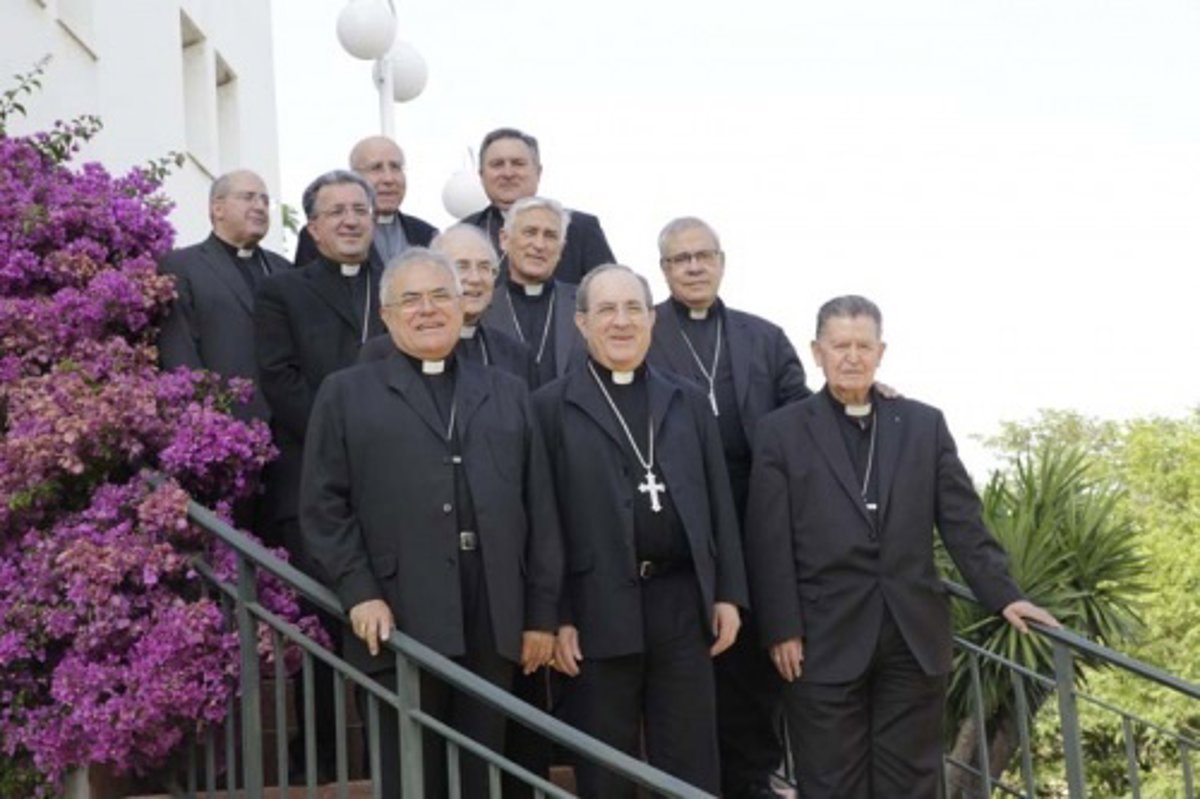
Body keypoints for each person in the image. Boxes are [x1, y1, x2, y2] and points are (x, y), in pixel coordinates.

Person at [743, 295, 1059, 798]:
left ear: (881, 352)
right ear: (817, 352)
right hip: (821, 639)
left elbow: (962, 522)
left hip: (912, 638)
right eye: (840, 346)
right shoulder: (781, 432)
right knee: (830, 785)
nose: (852, 357)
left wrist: (1004, 595)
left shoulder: (922, 425)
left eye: (863, 345)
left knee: (911, 785)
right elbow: (768, 540)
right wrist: (782, 628)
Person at [300, 248, 562, 798]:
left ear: (463, 306)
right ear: (387, 315)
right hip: (398, 613)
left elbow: (540, 508)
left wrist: (540, 615)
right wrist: (359, 593)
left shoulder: (508, 391)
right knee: (412, 780)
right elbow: (323, 508)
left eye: (441, 295)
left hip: (493, 614)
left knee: (484, 778)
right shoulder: (345, 393)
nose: (428, 310)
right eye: (411, 299)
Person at [533, 264, 748, 797]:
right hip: (596, 605)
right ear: (581, 322)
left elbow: (719, 503)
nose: (621, 321)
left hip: (681, 603)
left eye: (633, 308)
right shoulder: (549, 407)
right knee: (604, 767)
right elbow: (543, 519)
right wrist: (558, 615)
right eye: (606, 310)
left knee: (691, 762)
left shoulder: (687, 400)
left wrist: (727, 593)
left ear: (652, 319)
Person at [646, 216, 809, 799]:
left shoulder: (764, 337)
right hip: (679, 517)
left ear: (721, 261)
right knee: (693, 660)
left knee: (754, 664)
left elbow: (805, 417)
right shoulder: (644, 330)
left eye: (703, 256)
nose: (693, 267)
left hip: (756, 515)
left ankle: (753, 780)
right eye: (680, 258)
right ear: (663, 269)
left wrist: (866, 396)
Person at [254, 169, 385, 781]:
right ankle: (324, 766)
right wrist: (346, 446)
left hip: (394, 485)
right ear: (312, 226)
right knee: (323, 631)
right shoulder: (282, 291)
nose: (351, 220)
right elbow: (279, 380)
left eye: (360, 209)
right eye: (336, 212)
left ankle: (394, 762)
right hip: (313, 482)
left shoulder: (401, 284)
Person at [158, 169, 290, 422]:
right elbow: (180, 354)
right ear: (218, 208)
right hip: (223, 423)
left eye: (265, 200)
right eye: (248, 197)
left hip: (286, 425)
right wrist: (205, 419)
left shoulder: (283, 269)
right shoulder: (182, 266)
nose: (260, 206)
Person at [358, 224, 534, 383]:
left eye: (484, 267)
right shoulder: (381, 352)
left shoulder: (515, 354)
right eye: (462, 266)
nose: (475, 278)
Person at [461, 127, 613, 284]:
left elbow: (611, 290)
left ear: (538, 172)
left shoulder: (580, 229)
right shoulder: (464, 232)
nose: (508, 173)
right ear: (481, 175)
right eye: (497, 164)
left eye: (518, 164)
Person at [482, 196, 587, 387]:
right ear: (504, 239)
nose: (539, 245)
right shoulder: (482, 308)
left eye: (550, 236)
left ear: (561, 248)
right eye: (530, 233)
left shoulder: (586, 306)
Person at [293, 135, 437, 267]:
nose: (389, 179)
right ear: (354, 177)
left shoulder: (427, 234)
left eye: (395, 167)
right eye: (376, 168)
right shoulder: (320, 233)